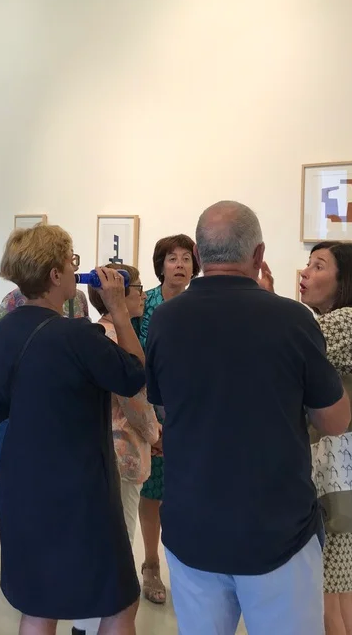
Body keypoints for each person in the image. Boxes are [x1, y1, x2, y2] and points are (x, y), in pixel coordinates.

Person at [144, 201, 351, 635]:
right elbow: (335, 421)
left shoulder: (164, 319)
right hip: (275, 532)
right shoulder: (293, 320)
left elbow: (162, 407)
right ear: (258, 255)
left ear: (198, 256)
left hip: (191, 526)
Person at [0, 224, 146, 635]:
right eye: (71, 262)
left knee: (39, 603)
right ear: (55, 275)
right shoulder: (79, 336)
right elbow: (133, 375)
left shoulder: (4, 331)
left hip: (22, 485)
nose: (75, 269)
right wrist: (119, 310)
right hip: (79, 491)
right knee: (120, 599)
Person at [0, 282, 90, 595]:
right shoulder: (15, 300)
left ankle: (42, 561)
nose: (74, 267)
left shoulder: (77, 301)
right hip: (15, 406)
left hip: (59, 407)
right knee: (5, 479)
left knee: (53, 482)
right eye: (68, 261)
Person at [300, 241, 352, 635]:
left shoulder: (340, 322)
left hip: (329, 474)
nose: (306, 273)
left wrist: (265, 306)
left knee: (323, 597)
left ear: (343, 280)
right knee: (344, 591)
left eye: (318, 266)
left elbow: (288, 355)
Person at [73, 263, 161, 635]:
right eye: (137, 286)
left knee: (99, 545)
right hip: (122, 453)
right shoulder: (116, 338)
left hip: (100, 451)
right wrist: (156, 435)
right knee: (118, 549)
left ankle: (85, 623)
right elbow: (135, 398)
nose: (142, 293)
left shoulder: (96, 334)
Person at [135, 234, 200, 605]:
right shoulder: (144, 304)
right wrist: (149, 422)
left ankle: (187, 567)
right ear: (160, 265)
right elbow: (132, 359)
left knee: (188, 491)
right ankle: (150, 564)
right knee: (153, 492)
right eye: (172, 258)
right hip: (151, 413)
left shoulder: (200, 306)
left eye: (186, 258)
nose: (180, 265)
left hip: (190, 413)